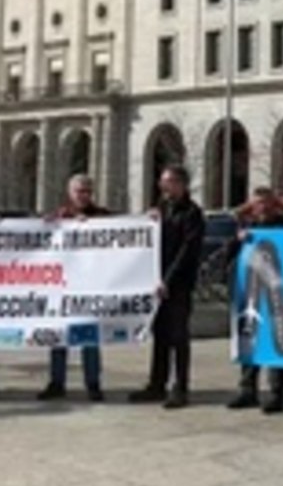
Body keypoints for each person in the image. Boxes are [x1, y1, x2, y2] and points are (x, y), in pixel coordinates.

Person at [129, 165, 205, 410]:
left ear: (181, 184)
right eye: (162, 181)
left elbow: (187, 251)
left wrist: (168, 281)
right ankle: (156, 383)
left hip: (178, 285)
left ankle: (180, 387)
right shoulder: (161, 210)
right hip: (157, 283)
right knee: (160, 335)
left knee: (178, 337)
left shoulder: (192, 214)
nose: (164, 186)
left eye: (169, 181)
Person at [39, 175, 111, 403]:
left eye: (88, 191)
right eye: (79, 191)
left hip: (90, 287)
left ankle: (93, 384)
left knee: (89, 339)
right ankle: (56, 382)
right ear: (70, 193)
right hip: (63, 287)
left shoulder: (102, 217)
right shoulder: (60, 217)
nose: (84, 195)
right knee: (58, 337)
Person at [227, 186, 283, 414]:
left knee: (277, 343)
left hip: (278, 294)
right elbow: (230, 257)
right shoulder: (247, 227)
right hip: (251, 293)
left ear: (274, 204)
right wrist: (238, 240)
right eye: (257, 203)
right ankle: (248, 390)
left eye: (266, 203)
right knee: (249, 340)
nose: (262, 207)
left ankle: (277, 394)